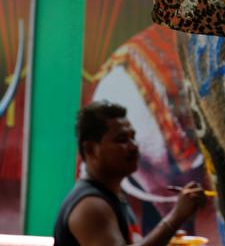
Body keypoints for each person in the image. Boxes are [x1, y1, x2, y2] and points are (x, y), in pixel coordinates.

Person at [53, 101, 207, 246]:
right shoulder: (90, 206)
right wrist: (175, 218)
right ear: (91, 149)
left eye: (132, 137)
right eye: (121, 140)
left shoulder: (114, 197)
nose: (133, 147)